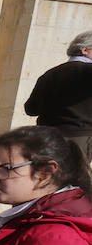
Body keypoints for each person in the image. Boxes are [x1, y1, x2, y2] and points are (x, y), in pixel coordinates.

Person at [23, 29, 92, 161]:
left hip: (45, 137)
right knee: (73, 178)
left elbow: (31, 109)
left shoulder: (49, 74)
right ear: (84, 50)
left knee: (46, 177)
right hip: (78, 137)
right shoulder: (87, 71)